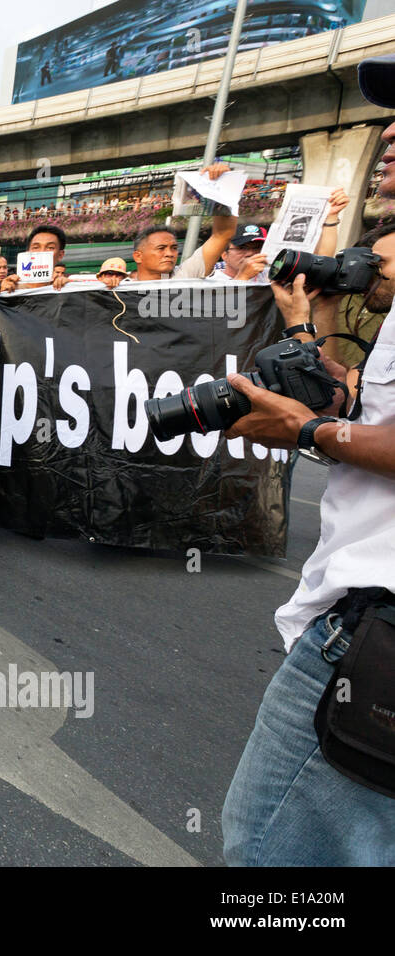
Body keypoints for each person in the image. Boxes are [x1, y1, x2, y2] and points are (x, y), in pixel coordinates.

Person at [220, 54, 395, 866]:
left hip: (377, 632)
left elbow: (349, 431)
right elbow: (366, 407)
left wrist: (301, 430)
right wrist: (311, 331)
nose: (388, 138)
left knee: (270, 855)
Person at [130, 163, 240, 281]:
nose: (170, 254)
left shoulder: (185, 275)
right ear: (138, 256)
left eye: (174, 248)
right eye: (161, 248)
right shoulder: (117, 288)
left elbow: (223, 234)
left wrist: (223, 183)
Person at [0, 224, 70, 296]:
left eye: (50, 247)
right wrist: (2, 292)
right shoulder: (12, 285)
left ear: (60, 255)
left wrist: (69, 286)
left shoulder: (68, 288)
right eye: (36, 247)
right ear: (28, 253)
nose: (42, 252)